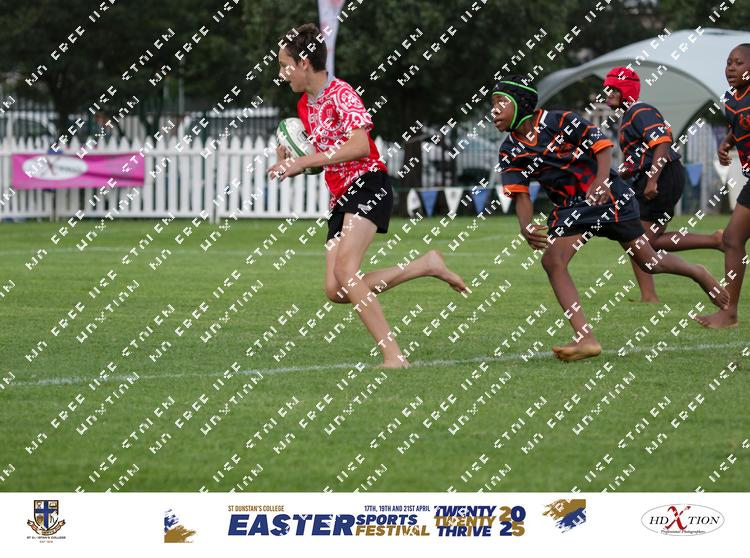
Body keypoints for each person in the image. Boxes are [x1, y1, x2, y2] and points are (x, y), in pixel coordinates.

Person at [267, 23, 466, 368]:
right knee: (336, 290)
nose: (281, 74)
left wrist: (304, 160)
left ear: (304, 63)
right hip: (340, 197)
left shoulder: (341, 93)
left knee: (346, 271)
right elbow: (321, 154)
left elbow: (360, 145)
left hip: (368, 184)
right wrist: (291, 160)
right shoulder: (304, 106)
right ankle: (426, 265)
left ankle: (394, 356)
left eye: (285, 66)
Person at [492, 76, 730, 362]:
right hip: (571, 208)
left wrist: (602, 181)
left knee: (649, 262)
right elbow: (521, 195)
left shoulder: (559, 120)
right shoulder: (509, 150)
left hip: (610, 196)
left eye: (500, 103)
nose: (494, 111)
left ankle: (697, 272)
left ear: (521, 104)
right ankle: (585, 338)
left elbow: (602, 146)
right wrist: (525, 226)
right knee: (553, 261)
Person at [603, 66, 725, 304]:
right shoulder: (629, 115)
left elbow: (662, 142)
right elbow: (641, 156)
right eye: (607, 89)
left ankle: (708, 250)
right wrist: (620, 175)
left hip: (662, 174)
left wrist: (652, 179)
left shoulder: (640, 110)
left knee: (637, 239)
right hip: (655, 175)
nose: (608, 93)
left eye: (613, 89)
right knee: (642, 240)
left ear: (626, 90)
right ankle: (713, 242)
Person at [695, 44, 750, 329]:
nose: (731, 68)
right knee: (732, 239)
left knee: (732, 239)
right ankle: (729, 313)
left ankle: (729, 313)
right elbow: (739, 125)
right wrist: (727, 142)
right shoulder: (730, 99)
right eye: (729, 62)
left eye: (739, 63)